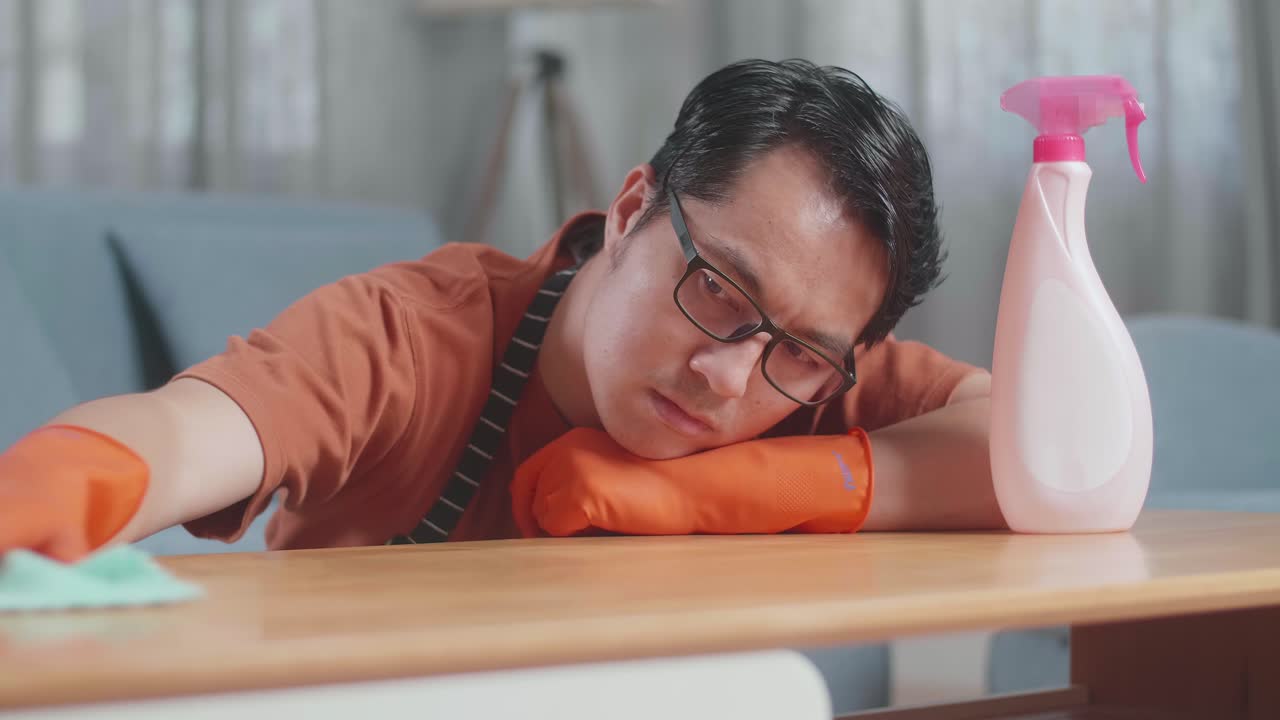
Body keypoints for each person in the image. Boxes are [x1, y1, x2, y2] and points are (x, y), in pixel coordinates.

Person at [0, 59, 1003, 562]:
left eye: (795, 352)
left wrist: (699, 493)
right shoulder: (413, 336)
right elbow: (179, 439)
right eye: (716, 289)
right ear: (628, 210)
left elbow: (1049, 451)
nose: (728, 375)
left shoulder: (801, 371)